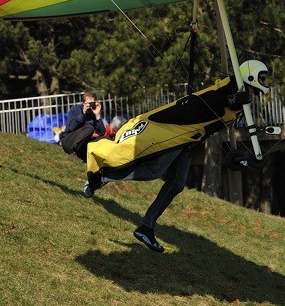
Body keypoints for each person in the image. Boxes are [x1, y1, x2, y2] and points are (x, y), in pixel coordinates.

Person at [84, 60, 270, 252]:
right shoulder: (229, 88)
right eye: (262, 78)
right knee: (154, 170)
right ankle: (101, 177)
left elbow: (221, 125)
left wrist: (237, 155)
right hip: (176, 131)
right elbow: (209, 99)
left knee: (177, 184)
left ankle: (146, 227)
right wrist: (231, 100)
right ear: (251, 75)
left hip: (190, 140)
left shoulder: (240, 102)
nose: (263, 83)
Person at [58, 92, 107, 156]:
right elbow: (70, 128)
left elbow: (101, 132)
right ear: (83, 103)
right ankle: (74, 150)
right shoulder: (75, 110)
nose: (90, 105)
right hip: (68, 141)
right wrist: (83, 113)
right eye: (88, 103)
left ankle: (82, 153)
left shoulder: (94, 113)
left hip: (83, 143)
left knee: (104, 139)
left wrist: (97, 115)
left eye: (92, 103)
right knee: (90, 128)